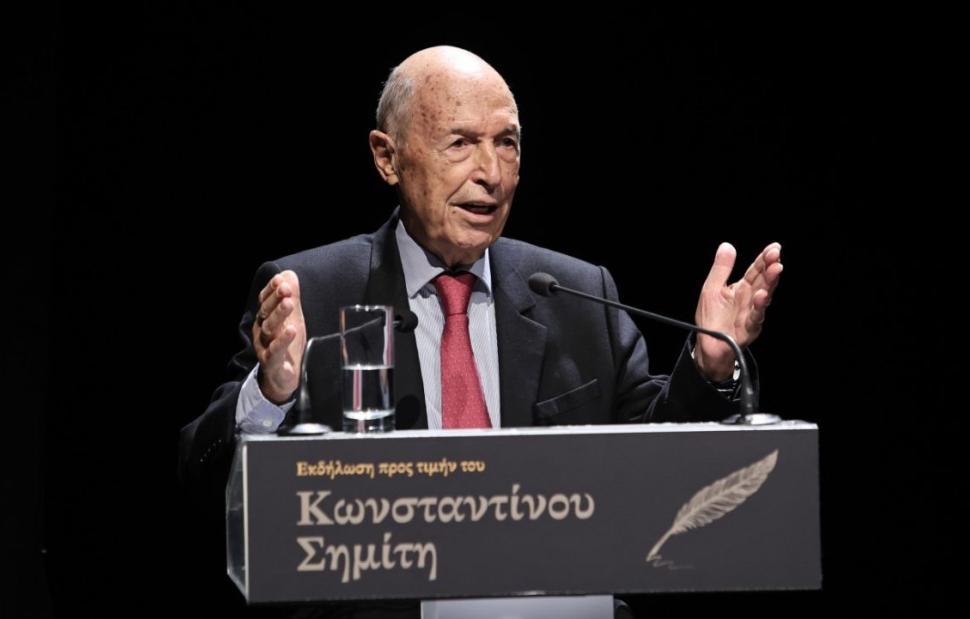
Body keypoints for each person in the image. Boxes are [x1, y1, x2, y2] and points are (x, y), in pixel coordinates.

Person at [178, 46, 783, 618]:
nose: (490, 173)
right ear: (387, 158)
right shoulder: (312, 293)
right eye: (460, 143)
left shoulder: (577, 294)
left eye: (506, 143)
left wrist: (709, 366)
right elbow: (203, 483)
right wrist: (272, 394)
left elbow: (654, 470)